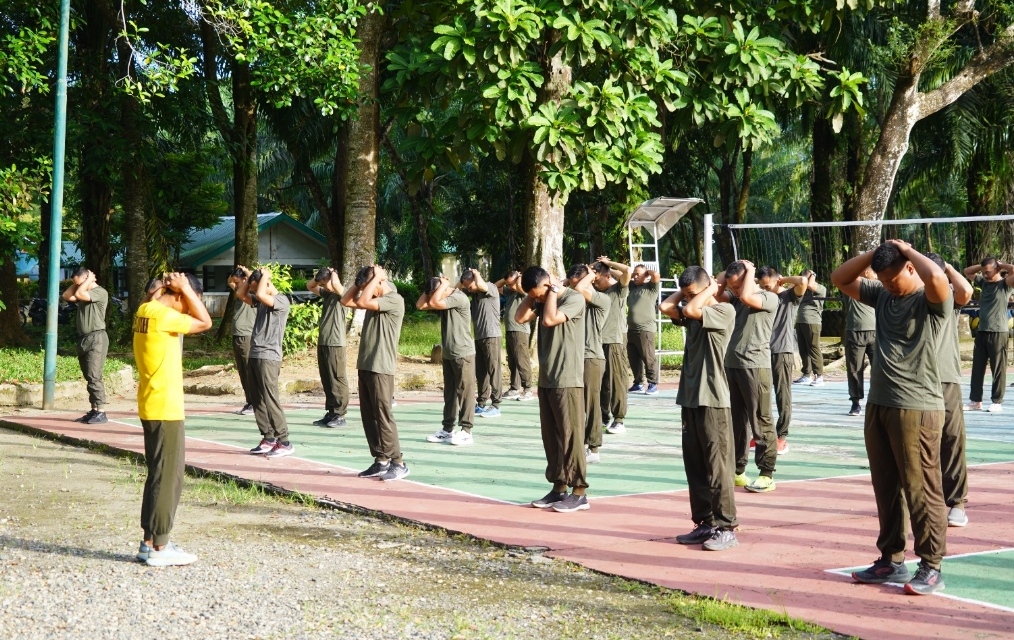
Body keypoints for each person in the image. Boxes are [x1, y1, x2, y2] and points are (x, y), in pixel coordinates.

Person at [832, 240, 952, 596]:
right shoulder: (884, 295)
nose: (886, 285)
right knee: (886, 486)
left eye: (892, 278)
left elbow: (938, 278)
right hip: (880, 403)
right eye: (881, 280)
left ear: (911, 268)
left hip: (917, 406)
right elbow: (840, 278)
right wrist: (876, 255)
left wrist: (906, 250)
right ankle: (891, 560)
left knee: (921, 488)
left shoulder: (929, 300)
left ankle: (931, 566)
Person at [133, 272, 213, 567]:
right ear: (178, 295)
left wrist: (168, 287)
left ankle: (149, 541)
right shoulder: (163, 316)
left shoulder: (145, 310)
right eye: (188, 299)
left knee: (158, 473)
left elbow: (153, 298)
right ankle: (160, 547)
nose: (189, 308)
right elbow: (205, 322)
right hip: (165, 406)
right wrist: (182, 288)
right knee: (169, 478)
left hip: (152, 402)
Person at [660, 266, 739, 551]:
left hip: (714, 399)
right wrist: (688, 291)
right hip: (690, 398)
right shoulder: (694, 310)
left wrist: (710, 290)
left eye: (693, 292)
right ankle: (705, 523)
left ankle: (726, 526)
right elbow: (665, 305)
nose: (686, 299)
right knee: (694, 465)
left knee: (717, 467)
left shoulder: (722, 311)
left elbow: (692, 309)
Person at [515, 266, 589, 512]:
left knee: (571, 436)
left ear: (549, 286)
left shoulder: (573, 298)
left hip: (567, 379)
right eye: (535, 296)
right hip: (547, 379)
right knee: (552, 437)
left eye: (538, 295)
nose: (536, 300)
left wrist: (553, 291)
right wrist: (534, 295)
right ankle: (559, 488)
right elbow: (519, 318)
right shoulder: (543, 298)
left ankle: (579, 492)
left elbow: (549, 320)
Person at [342, 265, 409, 481]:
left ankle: (398, 462)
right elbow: (345, 300)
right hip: (366, 364)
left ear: (381, 282)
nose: (365, 291)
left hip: (382, 366)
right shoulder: (374, 299)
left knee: (383, 415)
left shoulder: (394, 299)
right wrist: (361, 282)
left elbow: (361, 302)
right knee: (368, 416)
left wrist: (377, 277)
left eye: (371, 286)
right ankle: (381, 460)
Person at [716, 260, 778, 493]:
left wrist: (749, 272)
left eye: (737, 285)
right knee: (737, 422)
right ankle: (737, 470)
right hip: (733, 364)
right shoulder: (735, 297)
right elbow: (717, 293)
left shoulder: (768, 297)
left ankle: (766, 474)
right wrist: (730, 277)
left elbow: (748, 298)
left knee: (760, 419)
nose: (733, 290)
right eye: (732, 287)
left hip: (755, 365)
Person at [926, 253, 973, 528]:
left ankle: (956, 503)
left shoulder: (948, 296)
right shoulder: (910, 293)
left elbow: (966, 291)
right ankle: (922, 498)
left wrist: (949, 267)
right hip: (914, 380)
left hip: (945, 377)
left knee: (952, 439)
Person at [235, 266, 293, 459]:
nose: (254, 293)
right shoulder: (260, 301)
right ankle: (268, 437)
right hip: (255, 354)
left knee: (270, 398)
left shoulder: (281, 301)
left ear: (267, 283)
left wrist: (265, 275)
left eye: (256, 288)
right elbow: (241, 294)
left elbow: (261, 292)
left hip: (269, 356)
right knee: (257, 398)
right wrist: (250, 276)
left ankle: (284, 441)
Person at [418, 275, 476, 445]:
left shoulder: (458, 297)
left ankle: (466, 431)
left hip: (463, 353)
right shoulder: (442, 297)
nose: (432, 298)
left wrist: (442, 285)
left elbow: (434, 303)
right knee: (449, 393)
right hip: (449, 353)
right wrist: (432, 288)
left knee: (465, 392)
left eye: (435, 293)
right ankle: (447, 429)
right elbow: (420, 305)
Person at [757, 267, 807, 454]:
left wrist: (783, 280)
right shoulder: (762, 297)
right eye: (762, 286)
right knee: (760, 393)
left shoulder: (789, 297)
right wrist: (759, 284)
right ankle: (763, 434)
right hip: (762, 351)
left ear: (777, 281)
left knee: (782, 394)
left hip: (782, 352)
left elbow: (802, 282)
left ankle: (781, 436)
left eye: (767, 285)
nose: (765, 289)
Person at [565, 265, 609, 464]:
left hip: (591, 357)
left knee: (591, 404)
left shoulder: (601, 299)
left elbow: (582, 288)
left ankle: (594, 447)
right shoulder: (573, 300)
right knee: (575, 403)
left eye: (578, 283)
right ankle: (578, 442)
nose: (574, 288)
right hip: (574, 358)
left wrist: (589, 275)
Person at [962, 256, 1014, 412]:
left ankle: (997, 401)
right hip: (982, 331)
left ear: (997, 269)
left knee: (997, 368)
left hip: (999, 332)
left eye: (988, 272)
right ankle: (975, 401)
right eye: (983, 272)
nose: (984, 275)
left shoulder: (1005, 284)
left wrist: (1000, 265)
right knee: (977, 367)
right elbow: (966, 271)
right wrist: (983, 267)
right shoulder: (983, 282)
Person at [62, 268, 109, 424]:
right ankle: (94, 409)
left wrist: (89, 280)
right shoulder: (83, 293)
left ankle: (101, 411)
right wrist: (78, 283)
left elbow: (81, 294)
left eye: (79, 283)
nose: (77, 287)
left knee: (95, 375)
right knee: (89, 375)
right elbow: (66, 296)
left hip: (97, 337)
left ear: (89, 279)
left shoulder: (100, 292)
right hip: (84, 339)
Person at [307, 267, 350, 428]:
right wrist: (319, 279)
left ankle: (340, 413)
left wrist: (333, 276)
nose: (324, 287)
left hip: (335, 343)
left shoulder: (343, 294)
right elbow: (310, 286)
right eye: (323, 284)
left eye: (326, 283)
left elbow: (338, 287)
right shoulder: (327, 294)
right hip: (324, 341)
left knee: (337, 378)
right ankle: (331, 411)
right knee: (327, 378)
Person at [593, 256, 631, 434]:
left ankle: (619, 419)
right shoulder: (595, 293)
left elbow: (627, 272)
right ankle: (603, 415)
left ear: (607, 276)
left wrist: (608, 264)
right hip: (597, 342)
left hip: (614, 341)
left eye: (598, 279)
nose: (595, 283)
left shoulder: (618, 290)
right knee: (601, 383)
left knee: (616, 381)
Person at [461, 268, 503, 418]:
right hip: (479, 337)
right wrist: (465, 283)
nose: (468, 289)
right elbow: (456, 288)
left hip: (491, 336)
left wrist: (476, 273)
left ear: (475, 280)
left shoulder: (490, 288)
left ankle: (496, 404)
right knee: (481, 372)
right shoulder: (475, 295)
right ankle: (481, 403)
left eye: (469, 286)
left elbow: (481, 285)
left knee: (493, 369)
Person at [844, 267, 877, 416]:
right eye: (873, 272)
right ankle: (855, 402)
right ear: (865, 272)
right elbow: (845, 275)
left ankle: (878, 400)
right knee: (854, 369)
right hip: (854, 331)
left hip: (877, 333)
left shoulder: (879, 287)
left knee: (880, 368)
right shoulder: (852, 286)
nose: (876, 275)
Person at [497, 271, 535, 401]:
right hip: (510, 330)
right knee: (512, 361)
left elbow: (520, 288)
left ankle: (528, 388)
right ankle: (515, 388)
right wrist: (505, 279)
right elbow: (496, 287)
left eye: (511, 284)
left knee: (522, 360)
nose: (509, 286)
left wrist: (519, 279)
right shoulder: (510, 292)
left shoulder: (524, 292)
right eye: (508, 284)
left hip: (520, 330)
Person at [627, 264, 661, 395]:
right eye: (634, 274)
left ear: (646, 275)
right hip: (631, 329)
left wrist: (647, 272)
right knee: (633, 357)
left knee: (648, 357)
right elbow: (621, 276)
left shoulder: (651, 288)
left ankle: (652, 383)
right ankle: (638, 382)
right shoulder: (632, 287)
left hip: (645, 329)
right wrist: (632, 274)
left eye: (638, 274)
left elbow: (656, 275)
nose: (635, 277)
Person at [227, 269, 256, 415]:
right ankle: (249, 401)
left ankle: (255, 403)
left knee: (248, 369)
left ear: (246, 279)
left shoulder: (252, 292)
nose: (235, 285)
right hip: (238, 335)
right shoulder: (240, 289)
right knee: (242, 371)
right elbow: (230, 281)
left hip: (247, 335)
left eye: (238, 282)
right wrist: (236, 274)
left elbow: (254, 280)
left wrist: (247, 272)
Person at [793, 270, 827, 386]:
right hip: (800, 320)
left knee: (813, 348)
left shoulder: (820, 288)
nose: (803, 279)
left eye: (805, 276)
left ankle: (819, 376)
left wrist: (811, 275)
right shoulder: (802, 289)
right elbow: (790, 288)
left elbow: (811, 285)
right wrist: (800, 279)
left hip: (812, 321)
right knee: (803, 349)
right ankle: (806, 374)